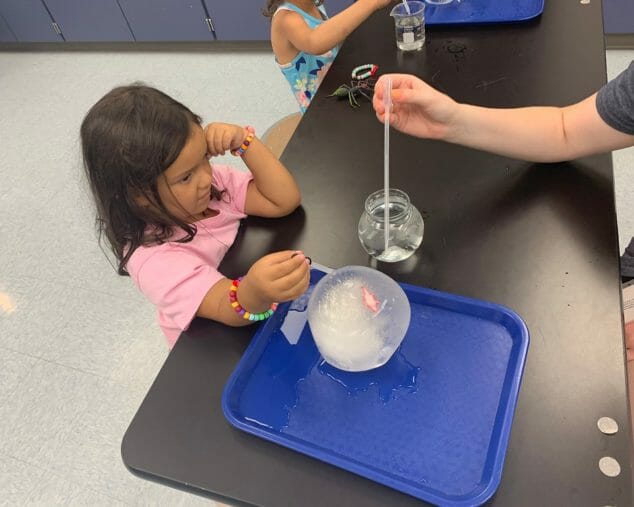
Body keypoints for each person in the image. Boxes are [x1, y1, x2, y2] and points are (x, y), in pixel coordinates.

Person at [81, 85, 310, 348]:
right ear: (138, 196)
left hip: (243, 294)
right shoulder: (154, 261)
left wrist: (244, 142)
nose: (205, 177)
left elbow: (283, 200)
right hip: (209, 342)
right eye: (186, 176)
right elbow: (226, 306)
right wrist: (255, 289)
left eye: (204, 157)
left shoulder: (211, 188)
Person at [264, 0, 395, 112]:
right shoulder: (285, 19)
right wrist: (371, 2)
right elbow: (315, 42)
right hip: (319, 113)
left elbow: (331, 38)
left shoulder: (314, 5)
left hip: (339, 94)